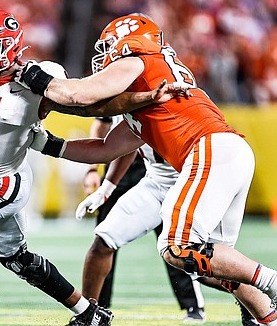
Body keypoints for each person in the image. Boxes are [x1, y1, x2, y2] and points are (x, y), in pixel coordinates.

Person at [0, 8, 185, 326]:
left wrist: (147, 97)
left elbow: (94, 105)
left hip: (2, 184)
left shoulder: (34, 81)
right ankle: (88, 313)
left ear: (11, 47)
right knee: (16, 259)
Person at [21, 14, 277, 326]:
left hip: (209, 151)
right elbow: (106, 148)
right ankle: (269, 317)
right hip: (227, 154)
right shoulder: (151, 95)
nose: (104, 58)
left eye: (108, 48)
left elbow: (82, 96)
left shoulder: (140, 60)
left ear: (129, 44)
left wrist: (37, 80)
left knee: (176, 247)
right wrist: (47, 144)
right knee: (211, 263)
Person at [80, 115, 207, 323]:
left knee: (175, 244)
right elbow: (103, 126)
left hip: (157, 174)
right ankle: (95, 308)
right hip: (119, 166)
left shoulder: (151, 93)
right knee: (104, 239)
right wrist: (93, 171)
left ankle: (194, 303)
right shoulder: (111, 89)